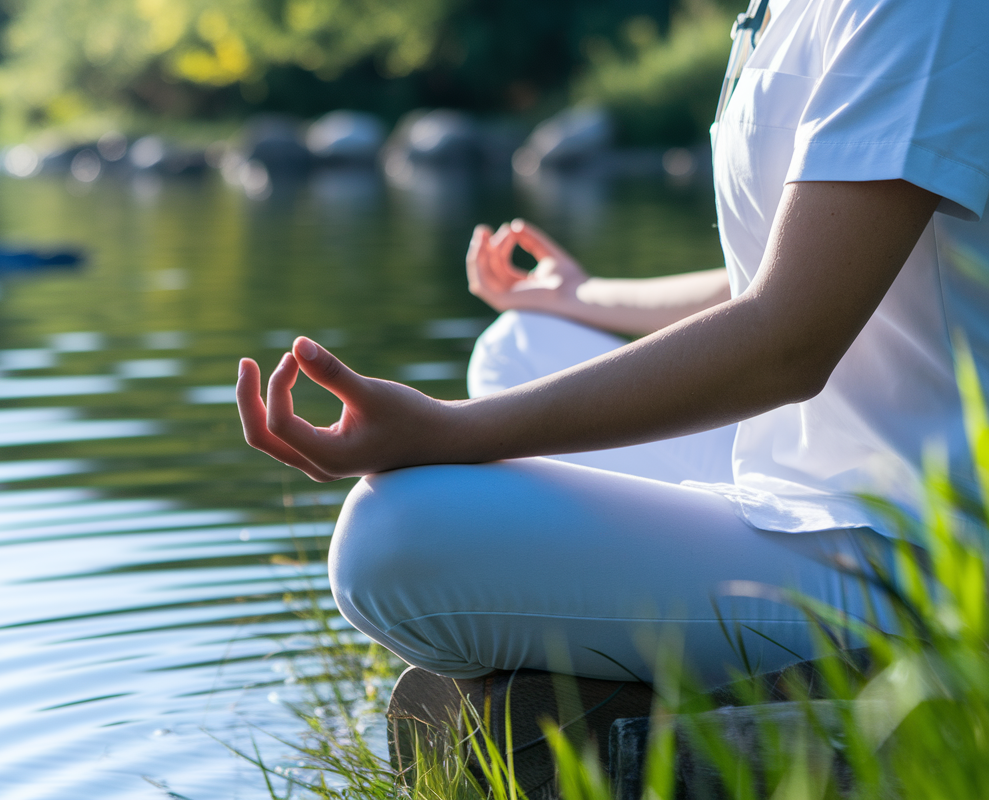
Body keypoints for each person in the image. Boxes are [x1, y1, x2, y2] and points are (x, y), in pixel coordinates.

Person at [237, 0, 989, 693]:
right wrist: (585, 296)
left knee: (389, 539)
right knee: (523, 345)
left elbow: (791, 339)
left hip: (924, 553)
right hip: (801, 468)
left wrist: (451, 428)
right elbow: (799, 268)